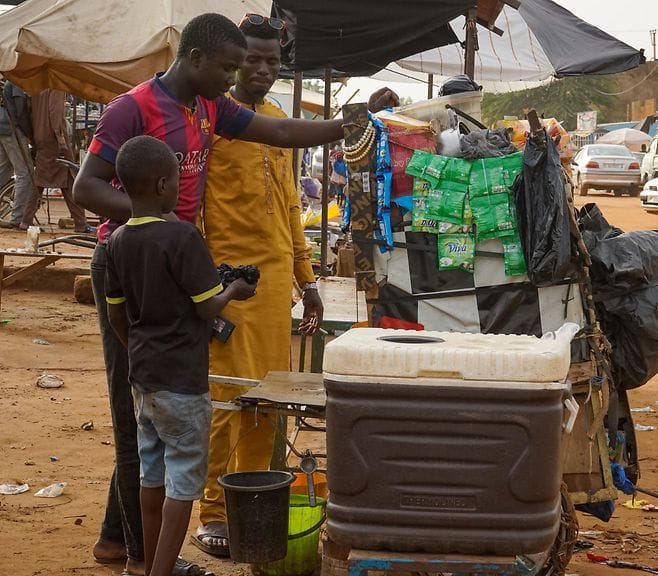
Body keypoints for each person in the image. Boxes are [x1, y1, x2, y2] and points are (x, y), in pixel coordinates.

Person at [72, 12, 396, 576]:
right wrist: (157, 220)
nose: (235, 76)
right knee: (139, 406)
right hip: (131, 261)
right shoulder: (134, 108)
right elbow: (86, 187)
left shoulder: (208, 108)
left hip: (173, 261)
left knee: (151, 405)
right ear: (195, 59)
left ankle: (120, 544)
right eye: (228, 66)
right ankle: (143, 557)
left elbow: (280, 132)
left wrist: (350, 129)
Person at [192, 16, 323, 557]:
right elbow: (193, 204)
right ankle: (214, 510)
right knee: (226, 396)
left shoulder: (275, 123)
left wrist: (306, 279)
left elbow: (292, 205)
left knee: (269, 400)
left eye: (273, 61)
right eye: (254, 60)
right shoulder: (209, 121)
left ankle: (255, 499)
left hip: (274, 290)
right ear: (233, 59)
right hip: (225, 285)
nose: (264, 70)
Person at [104, 134, 257, 576]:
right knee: (184, 483)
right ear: (159, 185)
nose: (180, 186)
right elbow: (207, 307)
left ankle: (151, 563)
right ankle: (161, 572)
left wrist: (139, 348)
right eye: (175, 179)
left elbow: (118, 316)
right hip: (183, 381)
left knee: (150, 474)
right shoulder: (182, 237)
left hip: (144, 376)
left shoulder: (115, 242)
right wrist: (235, 289)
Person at [20, 89, 93, 233]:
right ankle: (80, 223)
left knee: (42, 181)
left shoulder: (37, 88)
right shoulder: (56, 87)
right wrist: (61, 141)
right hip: (53, 139)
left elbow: (29, 112)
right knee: (67, 178)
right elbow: (55, 112)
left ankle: (26, 220)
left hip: (41, 136)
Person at [0, 80, 36, 230]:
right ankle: (18, 217)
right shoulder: (17, 82)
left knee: (4, 170)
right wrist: (30, 134)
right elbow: (20, 112)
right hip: (13, 130)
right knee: (25, 174)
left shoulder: (9, 82)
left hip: (3, 129)